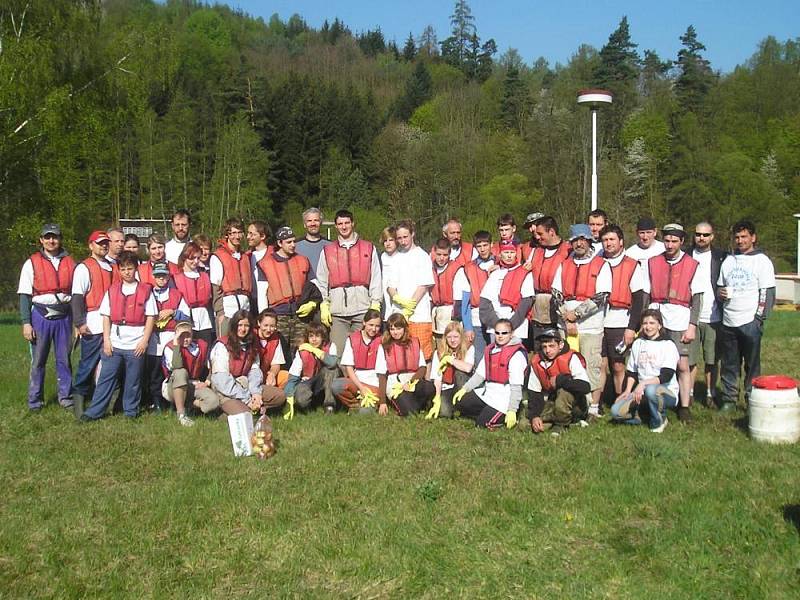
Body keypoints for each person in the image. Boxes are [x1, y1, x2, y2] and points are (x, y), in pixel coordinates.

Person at [81, 251, 157, 421]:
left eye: (130, 268)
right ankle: (95, 411)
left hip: (136, 344)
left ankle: (130, 411)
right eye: (123, 269)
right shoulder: (112, 290)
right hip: (114, 344)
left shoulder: (145, 291)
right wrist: (106, 340)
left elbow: (151, 317)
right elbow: (106, 316)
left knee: (133, 380)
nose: (127, 272)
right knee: (106, 379)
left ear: (136, 269)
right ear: (119, 270)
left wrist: (144, 341)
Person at [551, 224, 611, 417]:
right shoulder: (564, 264)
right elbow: (556, 293)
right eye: (576, 240)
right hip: (565, 324)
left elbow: (601, 296)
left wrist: (575, 314)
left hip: (591, 325)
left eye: (583, 239)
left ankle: (593, 407)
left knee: (592, 365)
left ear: (589, 240)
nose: (579, 243)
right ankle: (571, 403)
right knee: (567, 364)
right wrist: (566, 316)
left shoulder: (601, 264)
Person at [644, 223, 702, 422]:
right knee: (654, 361)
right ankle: (652, 401)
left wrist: (692, 326)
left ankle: (684, 406)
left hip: (680, 319)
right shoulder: (652, 262)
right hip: (657, 316)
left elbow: (697, 298)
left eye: (674, 241)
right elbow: (645, 292)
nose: (669, 245)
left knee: (683, 365)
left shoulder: (692, 264)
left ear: (682, 242)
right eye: (667, 240)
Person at [717, 220, 776, 412]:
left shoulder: (762, 261)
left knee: (752, 365)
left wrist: (758, 319)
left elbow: (767, 293)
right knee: (729, 364)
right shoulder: (729, 261)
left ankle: (752, 398)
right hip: (728, 321)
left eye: (744, 236)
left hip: (750, 322)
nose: (740, 240)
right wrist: (721, 293)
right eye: (737, 237)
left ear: (753, 237)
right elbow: (720, 286)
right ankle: (729, 399)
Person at [18, 223, 76, 411]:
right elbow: (25, 295)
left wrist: (77, 322)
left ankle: (66, 397)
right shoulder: (32, 262)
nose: (52, 241)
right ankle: (35, 400)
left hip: (65, 317)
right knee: (38, 360)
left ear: (60, 239)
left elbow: (77, 294)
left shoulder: (70, 261)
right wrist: (27, 323)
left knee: (64, 360)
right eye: (48, 237)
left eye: (55, 237)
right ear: (41, 240)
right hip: (40, 317)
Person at [316, 209, 382, 353]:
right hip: (337, 311)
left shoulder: (369, 248)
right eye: (340, 224)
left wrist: (376, 303)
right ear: (336, 226)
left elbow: (376, 277)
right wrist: (324, 303)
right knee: (338, 353)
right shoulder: (327, 250)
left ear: (353, 224)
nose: (344, 227)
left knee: (362, 351)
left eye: (347, 223)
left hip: (363, 309)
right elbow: (322, 280)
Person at [610, 309, 679, 433]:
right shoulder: (638, 343)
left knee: (651, 390)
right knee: (616, 412)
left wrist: (643, 383)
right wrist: (627, 391)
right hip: (641, 392)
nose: (648, 327)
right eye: (645, 323)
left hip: (665, 391)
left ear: (660, 325)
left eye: (652, 323)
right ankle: (641, 417)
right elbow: (632, 372)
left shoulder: (668, 345)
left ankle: (658, 421)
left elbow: (666, 376)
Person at [451, 318, 527, 430]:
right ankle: (486, 412)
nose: (500, 336)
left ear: (511, 334)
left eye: (504, 333)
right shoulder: (490, 349)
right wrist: (465, 389)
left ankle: (507, 415)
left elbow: (516, 387)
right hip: (487, 393)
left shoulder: (516, 355)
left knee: (481, 424)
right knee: (460, 403)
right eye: (497, 333)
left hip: (504, 399)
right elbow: (479, 375)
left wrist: (512, 410)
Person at [256, 226, 319, 359]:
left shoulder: (303, 260)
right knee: (281, 352)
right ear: (279, 243)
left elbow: (315, 286)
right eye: (288, 242)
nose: (293, 245)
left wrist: (314, 303)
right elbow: (262, 293)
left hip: (301, 314)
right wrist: (264, 317)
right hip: (279, 314)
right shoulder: (265, 264)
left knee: (301, 351)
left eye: (294, 241)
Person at [70, 230, 114, 416]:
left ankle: (102, 402)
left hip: (112, 323)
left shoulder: (113, 266)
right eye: (99, 243)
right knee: (88, 364)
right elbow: (77, 297)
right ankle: (79, 402)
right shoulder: (84, 267)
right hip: (93, 322)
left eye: (105, 243)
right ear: (91, 245)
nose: (103, 246)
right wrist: (80, 322)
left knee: (108, 366)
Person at [600, 224, 646, 399]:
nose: (608, 243)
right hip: (597, 320)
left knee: (618, 364)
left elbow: (638, 299)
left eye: (612, 239)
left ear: (620, 241)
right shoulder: (596, 262)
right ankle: (598, 402)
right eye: (605, 240)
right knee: (601, 363)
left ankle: (620, 400)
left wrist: (631, 328)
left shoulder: (631, 265)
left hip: (620, 321)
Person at [386, 220, 435, 361]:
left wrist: (410, 306)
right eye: (399, 238)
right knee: (401, 354)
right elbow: (390, 286)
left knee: (422, 354)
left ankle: (424, 383)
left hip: (419, 315)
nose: (402, 241)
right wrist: (397, 299)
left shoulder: (422, 256)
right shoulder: (395, 258)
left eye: (405, 237)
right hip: (398, 314)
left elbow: (423, 285)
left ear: (412, 234)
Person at [144, 262, 190, 412]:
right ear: (153, 276)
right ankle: (156, 401)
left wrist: (172, 312)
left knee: (170, 369)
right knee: (154, 370)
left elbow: (187, 316)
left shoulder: (176, 294)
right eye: (158, 275)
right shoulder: (147, 293)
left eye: (164, 275)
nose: (161, 278)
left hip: (170, 335)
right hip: (153, 336)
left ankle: (172, 401)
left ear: (169, 276)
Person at [690, 222, 727, 406]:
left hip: (714, 317)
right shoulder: (686, 255)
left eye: (705, 235)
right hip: (691, 318)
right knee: (689, 360)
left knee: (712, 360)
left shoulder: (722, 257)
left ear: (712, 236)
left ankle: (711, 394)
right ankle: (687, 393)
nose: (701, 238)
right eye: (698, 234)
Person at [527, 328, 591, 436]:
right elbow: (534, 392)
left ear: (560, 345)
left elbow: (585, 387)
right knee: (526, 425)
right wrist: (534, 416)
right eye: (544, 347)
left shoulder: (571, 358)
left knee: (563, 392)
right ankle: (561, 420)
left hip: (576, 403)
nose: (548, 350)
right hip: (551, 401)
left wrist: (561, 380)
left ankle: (562, 424)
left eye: (551, 346)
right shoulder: (536, 362)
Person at [208, 310, 266, 417]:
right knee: (246, 413)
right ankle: (225, 412)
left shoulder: (252, 344)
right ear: (234, 326)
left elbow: (254, 370)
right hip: (225, 390)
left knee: (278, 397)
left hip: (245, 384)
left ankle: (254, 406)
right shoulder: (222, 346)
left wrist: (256, 393)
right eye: (240, 325)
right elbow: (222, 380)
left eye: (246, 326)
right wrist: (247, 399)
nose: (243, 329)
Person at [375, 313, 434, 416]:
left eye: (398, 328)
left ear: (404, 328)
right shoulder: (384, 347)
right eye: (392, 329)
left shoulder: (414, 342)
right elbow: (382, 375)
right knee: (410, 412)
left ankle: (417, 404)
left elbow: (422, 367)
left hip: (412, 380)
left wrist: (411, 382)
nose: (395, 332)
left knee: (430, 387)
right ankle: (411, 405)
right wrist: (382, 402)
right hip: (396, 385)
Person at [479, 239, 534, 343]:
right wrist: (497, 325)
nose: (509, 256)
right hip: (495, 327)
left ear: (516, 254)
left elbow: (526, 302)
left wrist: (510, 325)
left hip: (516, 328)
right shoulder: (495, 274)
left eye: (512, 252)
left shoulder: (525, 273)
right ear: (500, 254)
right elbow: (485, 301)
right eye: (506, 252)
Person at [161, 321, 215, 427]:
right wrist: (176, 345)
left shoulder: (201, 346)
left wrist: (207, 381)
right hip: (173, 384)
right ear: (176, 335)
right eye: (182, 336)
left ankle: (188, 406)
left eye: (188, 336)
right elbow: (176, 366)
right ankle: (181, 414)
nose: (185, 339)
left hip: (194, 383)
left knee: (213, 402)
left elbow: (212, 365)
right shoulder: (170, 348)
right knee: (181, 372)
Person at [453, 230, 496, 359]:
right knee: (479, 357)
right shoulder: (467, 268)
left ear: (491, 245)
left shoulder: (501, 264)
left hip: (496, 316)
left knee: (497, 355)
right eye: (479, 246)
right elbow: (465, 301)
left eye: (485, 245)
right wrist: (468, 326)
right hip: (477, 316)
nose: (482, 249)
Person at [528, 216, 570, 345]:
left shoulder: (568, 250)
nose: (537, 237)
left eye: (541, 234)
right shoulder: (536, 251)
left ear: (551, 232)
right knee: (539, 347)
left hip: (558, 305)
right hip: (538, 307)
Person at [331, 309, 384, 412]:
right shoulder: (352, 339)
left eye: (377, 326)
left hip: (374, 384)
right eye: (371, 325)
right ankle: (354, 403)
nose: (374, 329)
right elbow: (349, 368)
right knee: (336, 385)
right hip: (357, 381)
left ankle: (366, 406)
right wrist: (361, 387)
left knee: (365, 413)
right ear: (364, 322)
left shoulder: (382, 340)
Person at [283, 322, 339, 417]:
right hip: (308, 382)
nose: (314, 339)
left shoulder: (331, 346)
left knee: (331, 370)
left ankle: (329, 406)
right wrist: (288, 397)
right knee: (302, 399)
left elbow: (332, 363)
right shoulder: (302, 351)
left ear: (323, 337)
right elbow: (293, 377)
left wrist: (315, 351)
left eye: (317, 336)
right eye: (311, 336)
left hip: (324, 383)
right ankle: (309, 406)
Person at [210, 218, 251, 336]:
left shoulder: (245, 257)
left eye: (240, 232)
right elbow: (215, 288)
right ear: (227, 235)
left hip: (245, 309)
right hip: (227, 309)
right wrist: (220, 313)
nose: (237, 236)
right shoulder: (218, 256)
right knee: (226, 345)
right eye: (233, 233)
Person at [427, 322, 475, 419]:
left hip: (462, 386)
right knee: (445, 413)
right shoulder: (439, 352)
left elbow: (468, 368)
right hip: (446, 387)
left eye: (456, 337)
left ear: (461, 336)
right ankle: (450, 406)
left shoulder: (469, 348)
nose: (452, 340)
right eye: (449, 337)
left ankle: (463, 405)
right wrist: (437, 397)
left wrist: (451, 360)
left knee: (460, 373)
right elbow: (437, 377)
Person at [174, 242, 215, 346]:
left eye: (198, 258)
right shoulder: (176, 277)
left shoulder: (204, 275)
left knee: (204, 350)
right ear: (185, 257)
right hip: (186, 319)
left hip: (204, 320)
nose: (195, 261)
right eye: (192, 258)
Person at [430, 237, 459, 341]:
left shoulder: (456, 268)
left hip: (451, 312)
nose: (442, 258)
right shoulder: (429, 268)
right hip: (436, 312)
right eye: (439, 254)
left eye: (445, 255)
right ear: (434, 252)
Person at [256, 309, 289, 390]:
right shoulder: (252, 337)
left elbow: (276, 364)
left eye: (272, 326)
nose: (268, 329)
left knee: (287, 376)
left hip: (267, 373)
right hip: (253, 374)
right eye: (265, 325)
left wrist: (272, 374)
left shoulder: (276, 339)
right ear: (259, 323)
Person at [295, 207, 331, 280]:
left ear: (321, 223)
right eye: (309, 221)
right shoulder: (295, 246)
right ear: (304, 224)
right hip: (304, 289)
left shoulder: (330, 246)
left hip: (325, 289)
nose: (313, 224)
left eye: (316, 220)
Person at [247, 220, 272, 313]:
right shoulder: (247, 257)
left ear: (262, 236)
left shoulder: (274, 255)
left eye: (252, 234)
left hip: (270, 302)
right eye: (248, 233)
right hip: (251, 303)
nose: (248, 237)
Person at [379, 226, 398, 321]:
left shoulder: (401, 257)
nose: (388, 243)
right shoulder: (381, 257)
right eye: (385, 240)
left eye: (391, 240)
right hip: (384, 302)